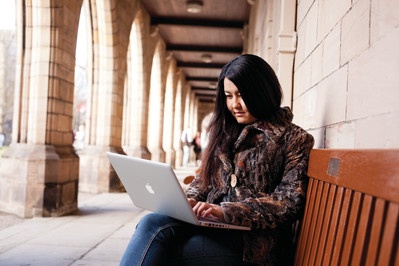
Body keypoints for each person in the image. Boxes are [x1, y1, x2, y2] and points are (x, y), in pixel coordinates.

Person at [120, 54, 314, 266]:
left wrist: (226, 211)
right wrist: (190, 201)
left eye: (241, 95)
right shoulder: (225, 131)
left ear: (262, 92)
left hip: (253, 244)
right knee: (151, 223)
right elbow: (203, 181)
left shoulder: (294, 139)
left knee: (165, 252)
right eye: (228, 96)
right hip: (212, 226)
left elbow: (288, 203)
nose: (234, 105)